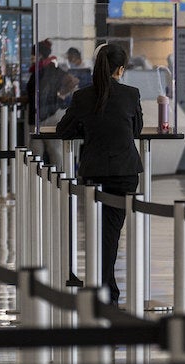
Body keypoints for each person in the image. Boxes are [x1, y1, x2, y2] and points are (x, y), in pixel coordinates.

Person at [56, 44, 142, 303]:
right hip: (125, 172)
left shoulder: (83, 96)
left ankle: (106, 289)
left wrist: (87, 128)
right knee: (110, 233)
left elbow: (63, 130)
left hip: (95, 171)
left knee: (100, 232)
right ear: (121, 69)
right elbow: (136, 130)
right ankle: (107, 290)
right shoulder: (131, 94)